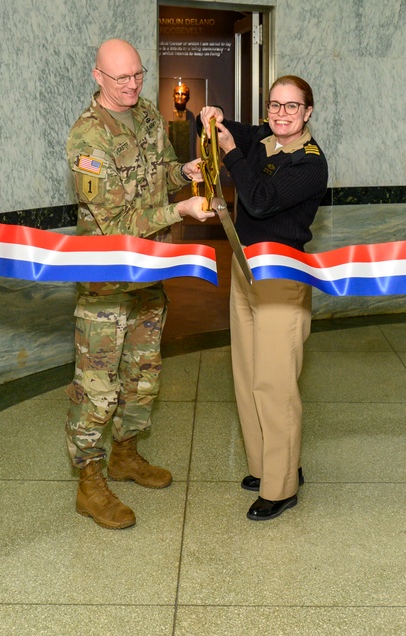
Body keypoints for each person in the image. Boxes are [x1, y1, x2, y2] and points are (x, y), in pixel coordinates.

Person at [65, 38, 212, 530]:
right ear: (97, 77)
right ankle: (90, 481)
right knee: (97, 387)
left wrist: (183, 172)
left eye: (138, 75)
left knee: (143, 377)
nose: (132, 86)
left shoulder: (148, 116)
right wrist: (179, 209)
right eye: (121, 78)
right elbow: (110, 221)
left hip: (149, 274)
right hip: (106, 283)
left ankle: (125, 455)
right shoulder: (87, 139)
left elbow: (161, 170)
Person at [199, 75, 329, 521]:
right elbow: (232, 126)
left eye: (292, 107)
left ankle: (282, 485)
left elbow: (257, 200)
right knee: (248, 373)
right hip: (243, 265)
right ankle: (265, 464)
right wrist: (212, 117)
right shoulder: (264, 138)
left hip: (280, 275)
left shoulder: (310, 163)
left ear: (308, 112)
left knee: (275, 383)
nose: (281, 114)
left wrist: (231, 153)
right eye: (274, 105)